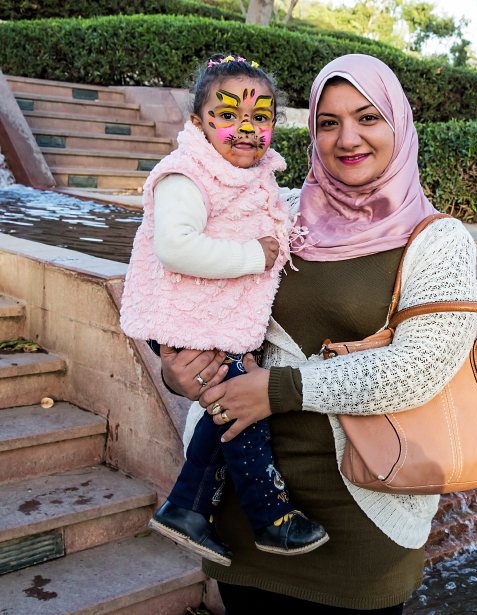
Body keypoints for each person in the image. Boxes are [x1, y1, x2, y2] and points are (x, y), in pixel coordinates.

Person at [161, 54, 477, 613]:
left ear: (399, 124)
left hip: (362, 515)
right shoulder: (275, 214)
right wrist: (179, 368)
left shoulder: (438, 240)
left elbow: (419, 367)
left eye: (367, 117)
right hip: (242, 507)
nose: (347, 138)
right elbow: (195, 301)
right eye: (327, 122)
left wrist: (277, 390)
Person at [119, 54, 328, 567]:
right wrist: (254, 256)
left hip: (209, 320)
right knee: (239, 412)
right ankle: (271, 517)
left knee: (222, 412)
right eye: (229, 113)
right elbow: (175, 247)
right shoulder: (185, 175)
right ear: (196, 123)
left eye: (261, 117)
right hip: (184, 319)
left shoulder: (254, 178)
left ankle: (186, 510)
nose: (246, 128)